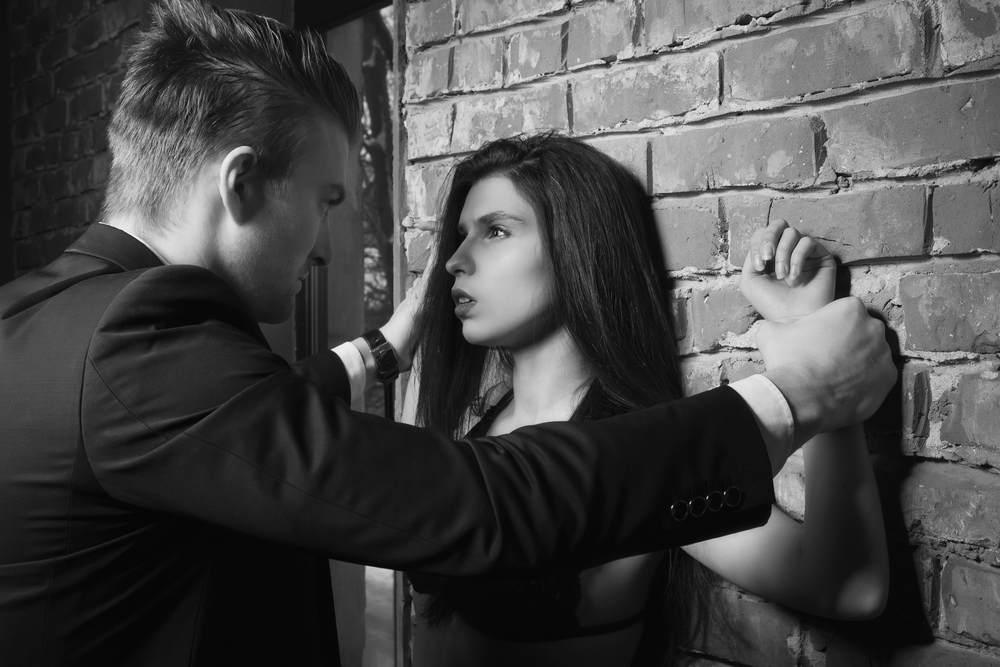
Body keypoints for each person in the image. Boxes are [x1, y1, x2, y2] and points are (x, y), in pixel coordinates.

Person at [0, 1, 896, 665]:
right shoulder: (139, 341)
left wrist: (384, 348)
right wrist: (798, 393)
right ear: (239, 187)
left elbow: (236, 434)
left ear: (580, 253)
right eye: (325, 201)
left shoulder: (33, 317)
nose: (327, 242)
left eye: (494, 232)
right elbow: (477, 499)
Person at [403, 135, 889, 666]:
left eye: (495, 231)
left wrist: (821, 361)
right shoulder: (472, 426)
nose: (454, 261)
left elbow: (848, 586)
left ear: (578, 248)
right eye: (459, 237)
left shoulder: (644, 456)